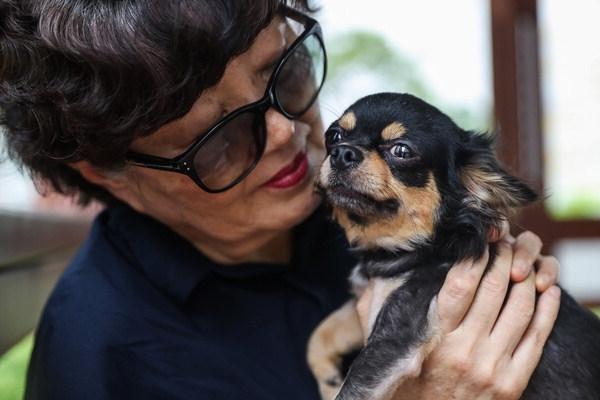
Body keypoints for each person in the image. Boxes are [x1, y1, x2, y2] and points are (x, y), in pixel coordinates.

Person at [0, 1, 560, 399]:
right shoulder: (97, 360)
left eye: (284, 74)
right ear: (109, 173)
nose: (284, 130)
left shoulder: (367, 213)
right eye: (218, 136)